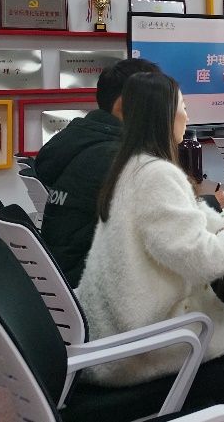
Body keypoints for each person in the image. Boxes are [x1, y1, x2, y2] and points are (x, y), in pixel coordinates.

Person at [76, 72, 224, 421]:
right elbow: (203, 259)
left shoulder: (132, 166)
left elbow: (188, 218)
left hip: (117, 330)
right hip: (141, 346)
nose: (188, 116)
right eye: (183, 107)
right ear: (163, 115)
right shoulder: (156, 175)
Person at [37, 58, 161, 287]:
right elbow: (162, 226)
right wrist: (210, 204)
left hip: (66, 279)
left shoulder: (83, 142)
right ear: (124, 104)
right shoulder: (114, 158)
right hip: (93, 286)